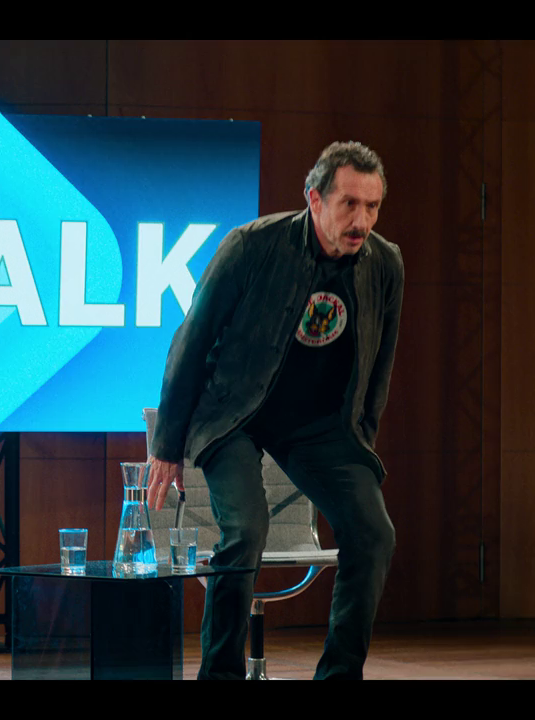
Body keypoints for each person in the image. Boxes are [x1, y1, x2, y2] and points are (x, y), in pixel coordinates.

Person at [147, 141, 403, 680]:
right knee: (245, 530)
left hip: (318, 425)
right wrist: (166, 446)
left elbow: (379, 367)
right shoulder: (251, 246)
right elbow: (190, 342)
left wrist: (360, 445)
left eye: (373, 206)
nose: (362, 221)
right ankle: (220, 674)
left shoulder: (385, 263)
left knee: (373, 533)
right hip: (234, 413)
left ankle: (339, 675)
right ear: (315, 199)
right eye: (349, 204)